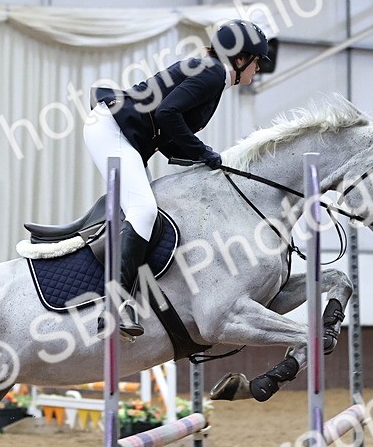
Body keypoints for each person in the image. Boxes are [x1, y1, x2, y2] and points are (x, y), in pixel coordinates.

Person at [84, 19, 271, 337]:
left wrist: (203, 159)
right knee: (143, 211)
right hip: (112, 128)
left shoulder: (212, 72)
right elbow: (167, 114)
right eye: (257, 62)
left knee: (144, 211)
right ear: (240, 60)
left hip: (118, 130)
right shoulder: (212, 72)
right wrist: (203, 152)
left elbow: (169, 129)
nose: (258, 71)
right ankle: (112, 304)